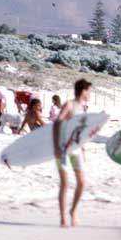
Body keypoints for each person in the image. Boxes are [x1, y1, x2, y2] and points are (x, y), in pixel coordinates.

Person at [52, 78, 91, 228]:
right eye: (89, 91)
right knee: (65, 183)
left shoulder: (83, 108)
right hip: (63, 149)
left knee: (81, 182)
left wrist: (83, 148)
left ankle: (73, 211)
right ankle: (63, 218)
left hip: (76, 150)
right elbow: (57, 123)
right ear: (83, 91)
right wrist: (56, 146)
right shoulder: (69, 105)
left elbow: (80, 130)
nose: (90, 94)